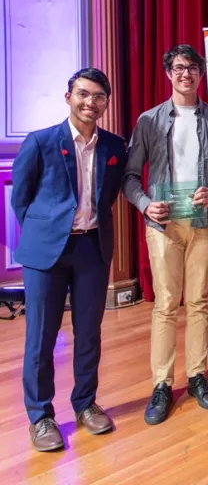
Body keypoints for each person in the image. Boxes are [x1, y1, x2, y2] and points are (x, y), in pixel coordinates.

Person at [12, 68, 127, 451]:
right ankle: (41, 416)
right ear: (68, 97)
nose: (90, 102)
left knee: (89, 334)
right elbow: (21, 200)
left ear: (106, 104)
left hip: (91, 249)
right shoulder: (41, 141)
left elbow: (108, 196)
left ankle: (85, 403)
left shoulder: (113, 146)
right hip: (47, 253)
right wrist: (46, 231)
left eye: (98, 97)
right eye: (83, 94)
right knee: (41, 337)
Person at [124, 44, 208, 426]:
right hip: (162, 224)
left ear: (200, 73)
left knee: (198, 301)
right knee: (166, 304)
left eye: (193, 68)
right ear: (168, 74)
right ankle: (162, 383)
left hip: (205, 221)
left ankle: (197, 375)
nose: (186, 74)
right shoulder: (148, 121)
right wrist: (146, 203)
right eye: (179, 68)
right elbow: (130, 177)